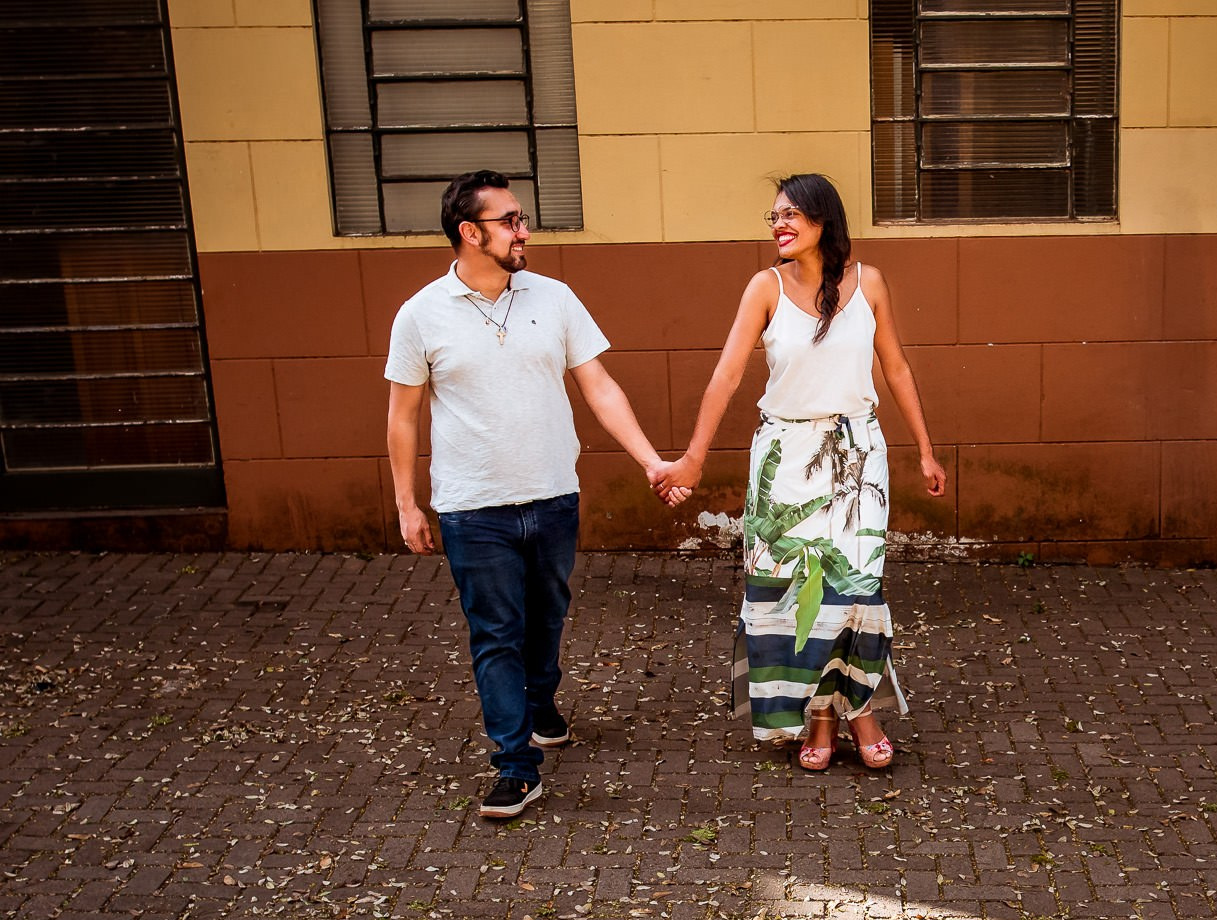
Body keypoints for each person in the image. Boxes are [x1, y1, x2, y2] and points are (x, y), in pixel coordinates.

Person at [385, 169, 673, 819]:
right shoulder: (420, 314)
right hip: (471, 508)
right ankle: (515, 765)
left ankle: (541, 702)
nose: (524, 231)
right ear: (470, 232)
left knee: (545, 619)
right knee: (495, 633)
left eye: (522, 218)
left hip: (552, 497)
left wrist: (651, 460)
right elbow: (402, 416)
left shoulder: (555, 297)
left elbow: (599, 386)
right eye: (510, 220)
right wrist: (407, 503)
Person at [655, 173, 944, 771]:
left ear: (822, 219)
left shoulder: (870, 283)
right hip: (784, 458)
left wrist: (925, 449)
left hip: (858, 457)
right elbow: (727, 374)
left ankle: (860, 711)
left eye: (790, 214)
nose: (779, 225)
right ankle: (818, 716)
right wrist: (693, 458)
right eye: (774, 216)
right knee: (790, 593)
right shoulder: (765, 287)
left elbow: (895, 367)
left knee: (855, 591)